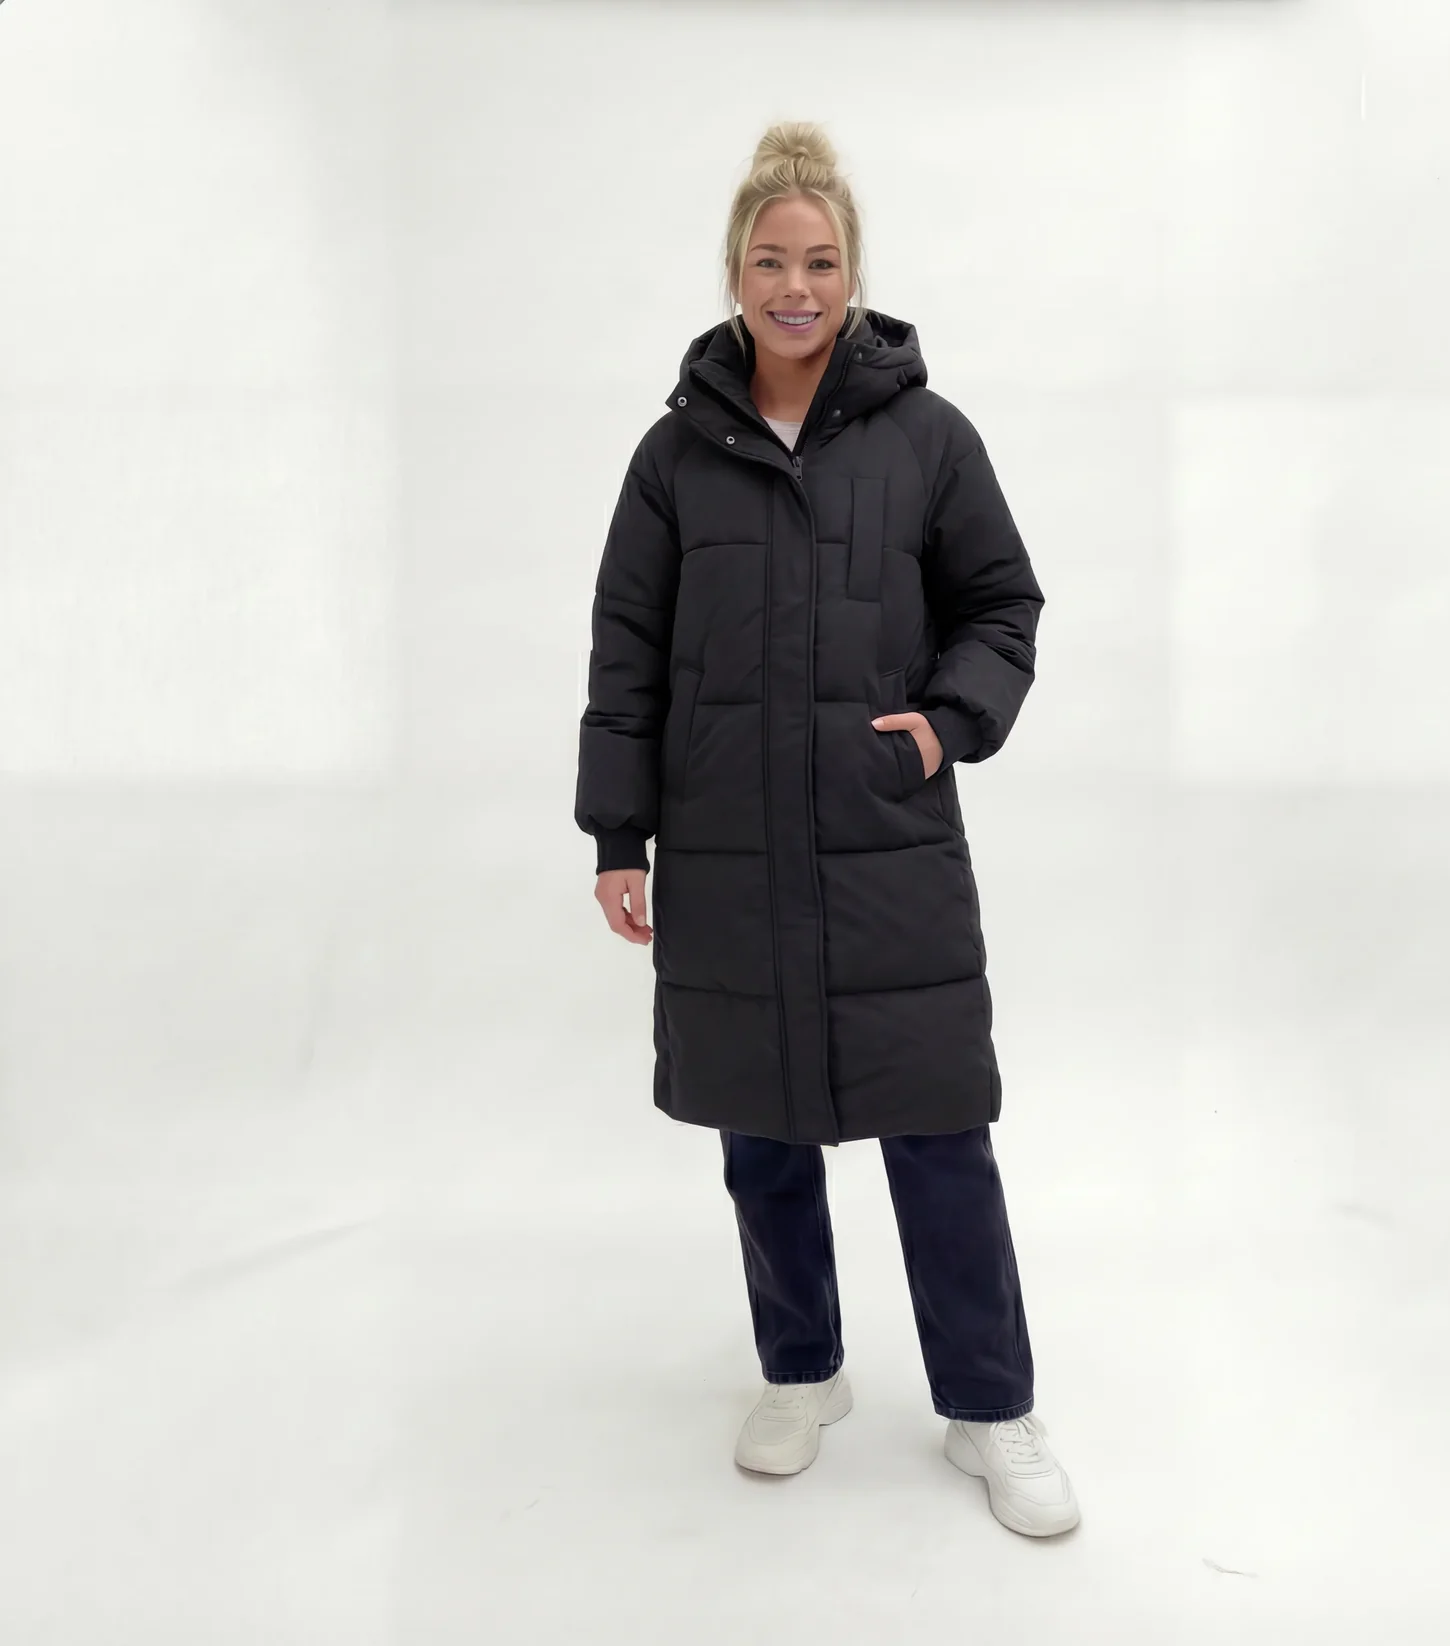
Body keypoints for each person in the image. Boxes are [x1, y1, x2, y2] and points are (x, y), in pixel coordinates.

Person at [573, 121, 1079, 1538]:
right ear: (733, 274)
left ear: (853, 274)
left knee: (939, 1128)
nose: (794, 287)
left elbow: (1002, 605)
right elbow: (626, 649)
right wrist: (618, 834)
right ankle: (801, 1369)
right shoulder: (674, 458)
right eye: (769, 261)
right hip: (726, 843)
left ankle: (990, 1405)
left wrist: (945, 721)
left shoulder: (929, 439)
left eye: (820, 262)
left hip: (885, 841)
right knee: (761, 1126)